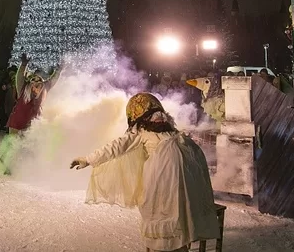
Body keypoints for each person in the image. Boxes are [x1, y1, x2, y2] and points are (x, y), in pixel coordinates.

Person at [70, 93, 219, 252]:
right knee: (166, 216)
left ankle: (179, 245)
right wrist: (89, 159)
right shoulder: (144, 132)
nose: (158, 118)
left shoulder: (169, 131)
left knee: (178, 215)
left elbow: (119, 145)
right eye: (155, 115)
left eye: (160, 116)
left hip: (177, 185)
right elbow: (117, 146)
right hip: (161, 184)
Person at [6, 53, 60, 135]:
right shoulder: (24, 87)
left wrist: (58, 70)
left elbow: (53, 79)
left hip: (34, 121)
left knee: (31, 144)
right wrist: (23, 65)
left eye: (38, 80)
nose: (35, 81)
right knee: (13, 143)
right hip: (18, 120)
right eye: (33, 79)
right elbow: (20, 76)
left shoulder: (45, 87)